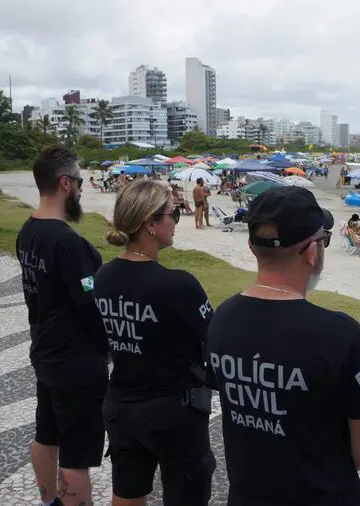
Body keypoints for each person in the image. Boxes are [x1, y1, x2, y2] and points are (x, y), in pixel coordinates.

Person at [207, 186, 360, 505]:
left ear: (252, 247)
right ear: (311, 251)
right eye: (324, 240)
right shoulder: (339, 334)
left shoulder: (222, 318)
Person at [94, 179, 216, 506]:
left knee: (127, 493)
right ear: (150, 222)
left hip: (120, 405)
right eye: (172, 214)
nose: (176, 221)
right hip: (172, 410)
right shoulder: (178, 285)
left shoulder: (103, 277)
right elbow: (213, 344)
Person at [15, 147, 109, 506]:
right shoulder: (68, 244)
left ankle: (50, 501)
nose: (83, 189)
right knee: (76, 456)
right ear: (65, 183)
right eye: (81, 181)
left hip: (45, 352)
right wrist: (108, 347)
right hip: (75, 361)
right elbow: (91, 308)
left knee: (47, 432)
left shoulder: (28, 231)